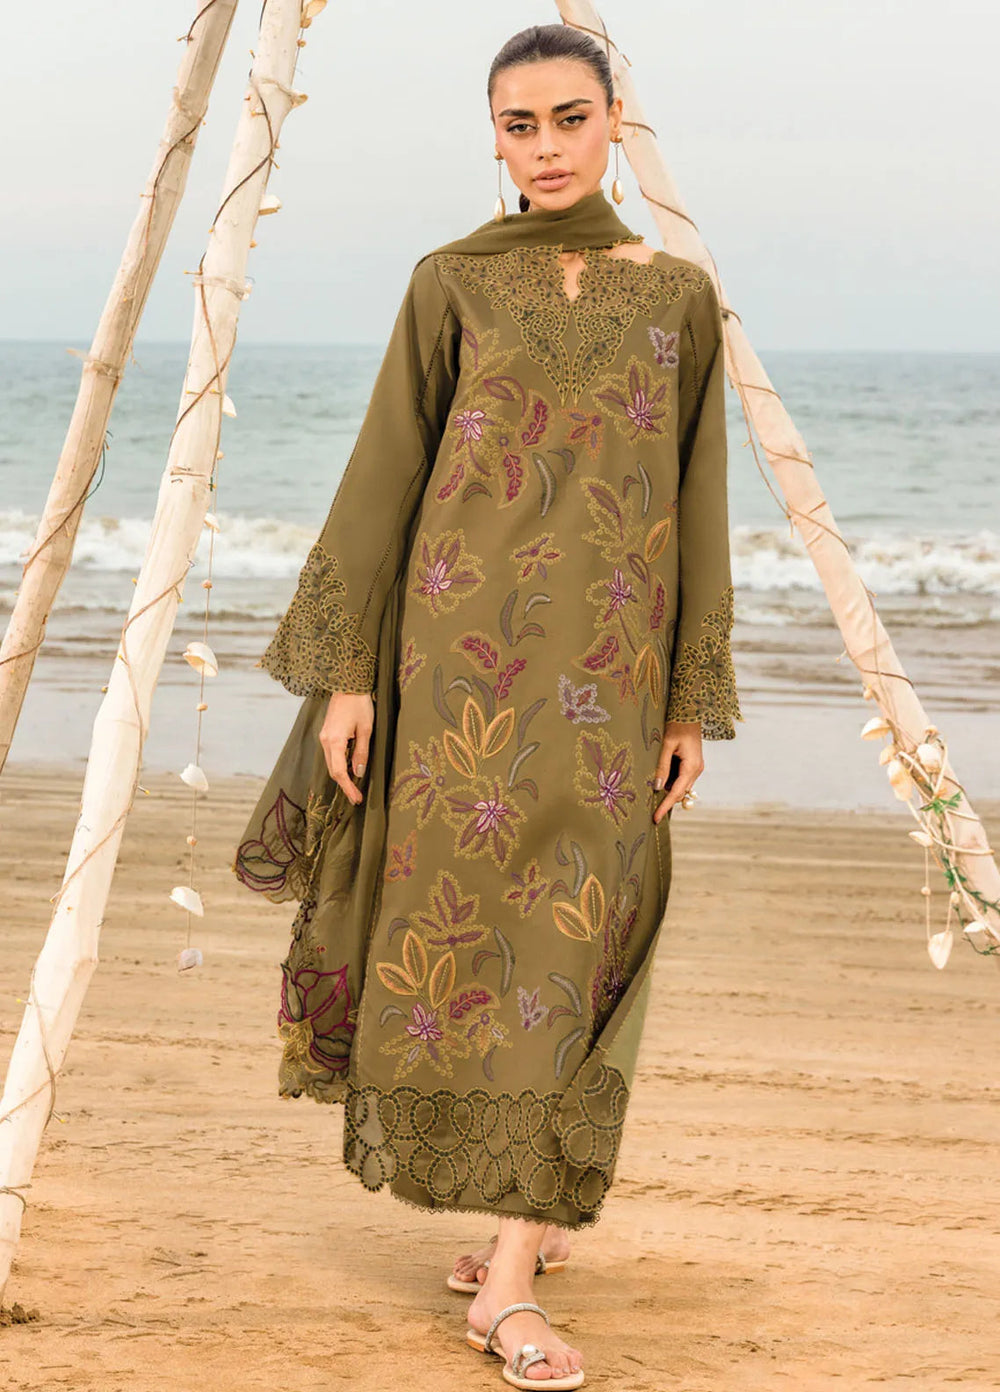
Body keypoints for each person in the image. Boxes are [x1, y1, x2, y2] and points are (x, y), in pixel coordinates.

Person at [232, 23, 742, 1388]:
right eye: (521, 124)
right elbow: (385, 480)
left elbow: (698, 498)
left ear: (616, 122)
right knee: (471, 947)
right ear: (495, 137)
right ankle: (516, 1252)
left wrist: (689, 699)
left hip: (615, 688)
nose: (548, 147)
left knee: (589, 943)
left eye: (572, 118)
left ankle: (511, 1261)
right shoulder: (448, 282)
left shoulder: (678, 300)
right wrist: (349, 678)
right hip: (455, 674)